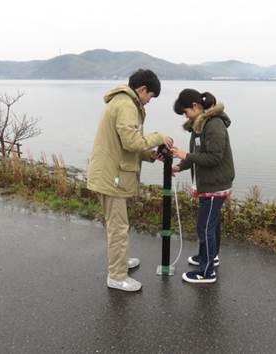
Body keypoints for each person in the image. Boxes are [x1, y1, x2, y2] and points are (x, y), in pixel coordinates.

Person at [87, 69, 173, 292]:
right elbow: (131, 141)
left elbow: (127, 145)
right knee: (118, 228)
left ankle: (120, 262)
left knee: (118, 226)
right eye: (150, 97)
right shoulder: (126, 105)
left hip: (111, 173)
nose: (149, 101)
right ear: (142, 89)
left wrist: (150, 155)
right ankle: (116, 276)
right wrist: (158, 137)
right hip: (110, 177)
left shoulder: (123, 102)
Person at [171, 89, 235, 284]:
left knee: (205, 227)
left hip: (216, 184)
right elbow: (196, 155)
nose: (185, 116)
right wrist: (179, 166)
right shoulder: (199, 126)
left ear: (196, 106)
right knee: (211, 224)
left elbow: (214, 157)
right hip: (209, 184)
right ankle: (209, 256)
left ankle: (206, 272)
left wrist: (186, 156)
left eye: (185, 112)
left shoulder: (214, 124)